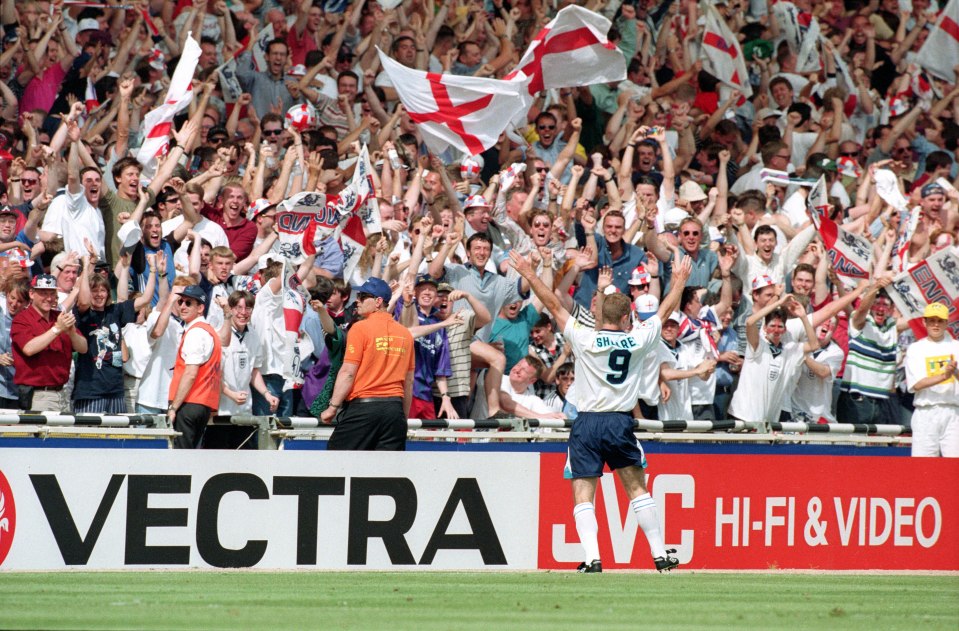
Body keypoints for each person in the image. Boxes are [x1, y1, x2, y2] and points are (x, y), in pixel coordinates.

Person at [509, 249, 691, 573]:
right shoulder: (637, 340)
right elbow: (664, 311)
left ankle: (593, 559)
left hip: (587, 423)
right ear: (626, 319)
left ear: (600, 314)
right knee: (637, 489)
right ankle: (661, 556)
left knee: (583, 494)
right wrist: (678, 281)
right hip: (620, 422)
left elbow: (552, 304)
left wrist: (528, 272)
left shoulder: (584, 338)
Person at [321, 278, 415, 451]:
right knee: (384, 474)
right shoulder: (405, 334)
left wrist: (332, 407)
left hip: (364, 407)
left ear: (378, 301)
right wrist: (403, 418)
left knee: (334, 465)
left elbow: (348, 372)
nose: (357, 300)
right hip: (394, 410)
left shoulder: (360, 328)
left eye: (363, 296)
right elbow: (408, 383)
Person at [11, 274, 88, 411]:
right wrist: (57, 329)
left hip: (63, 393)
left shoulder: (59, 317)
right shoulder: (21, 319)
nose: (49, 298)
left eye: (52, 293)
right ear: (32, 294)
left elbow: (83, 348)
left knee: (64, 433)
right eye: (43, 293)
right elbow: (29, 348)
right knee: (42, 432)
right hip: (38, 395)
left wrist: (71, 332)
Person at [167, 285, 223, 449]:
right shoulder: (209, 331)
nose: (183, 306)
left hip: (188, 403)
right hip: (203, 404)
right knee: (192, 457)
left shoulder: (196, 332)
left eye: (188, 303)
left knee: (180, 458)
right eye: (181, 301)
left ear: (200, 308)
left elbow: (191, 373)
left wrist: (174, 407)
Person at [904, 303, 959, 457]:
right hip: (926, 411)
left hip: (953, 411)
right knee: (923, 466)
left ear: (947, 323)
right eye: (931, 320)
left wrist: (954, 372)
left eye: (940, 321)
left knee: (955, 465)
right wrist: (943, 376)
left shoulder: (956, 347)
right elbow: (917, 384)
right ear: (924, 322)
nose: (936, 324)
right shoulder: (916, 349)